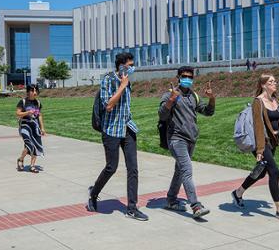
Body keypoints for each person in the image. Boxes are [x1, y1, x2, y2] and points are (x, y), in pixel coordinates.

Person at [87, 52, 149, 221]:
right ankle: (93, 194)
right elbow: (108, 105)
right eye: (130, 64)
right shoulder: (109, 79)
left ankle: (132, 208)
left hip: (128, 128)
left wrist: (125, 84)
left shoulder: (127, 81)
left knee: (133, 168)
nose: (132, 67)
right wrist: (122, 86)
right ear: (121, 66)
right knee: (111, 167)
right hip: (111, 130)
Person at [231, 74, 279, 222]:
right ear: (264, 85)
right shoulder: (258, 102)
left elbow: (274, 121)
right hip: (261, 142)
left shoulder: (274, 100)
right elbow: (258, 127)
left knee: (261, 173)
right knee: (274, 172)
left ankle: (238, 193)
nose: (274, 83)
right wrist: (259, 150)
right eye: (271, 82)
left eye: (275, 81)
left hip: (272, 142)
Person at [159, 66, 215, 218]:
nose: (187, 79)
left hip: (191, 139)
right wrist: (171, 100)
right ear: (178, 77)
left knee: (180, 170)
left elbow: (208, 112)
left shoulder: (193, 96)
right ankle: (196, 206)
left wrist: (211, 98)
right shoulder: (170, 95)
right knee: (187, 170)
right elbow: (162, 115)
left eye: (190, 77)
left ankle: (171, 200)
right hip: (176, 139)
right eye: (184, 76)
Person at [16, 84, 46, 173]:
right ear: (28, 92)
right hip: (25, 125)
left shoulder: (38, 103)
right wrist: (27, 112)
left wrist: (42, 128)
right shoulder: (23, 102)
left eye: (36, 90)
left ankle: (32, 166)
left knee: (35, 145)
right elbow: (17, 113)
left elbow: (39, 115)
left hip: (34, 126)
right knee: (29, 143)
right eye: (32, 90)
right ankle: (21, 159)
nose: (35, 92)